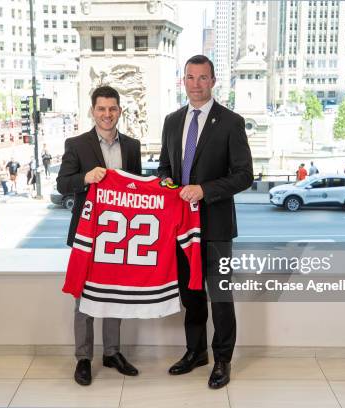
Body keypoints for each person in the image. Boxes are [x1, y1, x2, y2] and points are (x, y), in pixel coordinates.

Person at [158, 55, 253, 389]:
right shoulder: (171, 121)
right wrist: (168, 184)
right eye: (190, 77)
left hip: (215, 226)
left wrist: (203, 190)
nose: (196, 84)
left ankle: (223, 359)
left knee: (220, 296)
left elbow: (244, 176)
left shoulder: (230, 122)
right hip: (181, 227)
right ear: (182, 81)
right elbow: (164, 168)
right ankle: (195, 352)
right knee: (191, 293)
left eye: (202, 77)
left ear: (213, 81)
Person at [57, 85, 142, 386]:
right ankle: (83, 358)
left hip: (119, 238)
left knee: (114, 296)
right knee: (83, 299)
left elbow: (138, 189)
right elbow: (62, 184)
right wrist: (85, 178)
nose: (107, 114)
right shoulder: (77, 144)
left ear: (120, 111)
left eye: (112, 109)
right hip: (86, 235)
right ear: (92, 111)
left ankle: (112, 352)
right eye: (101, 109)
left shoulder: (132, 146)